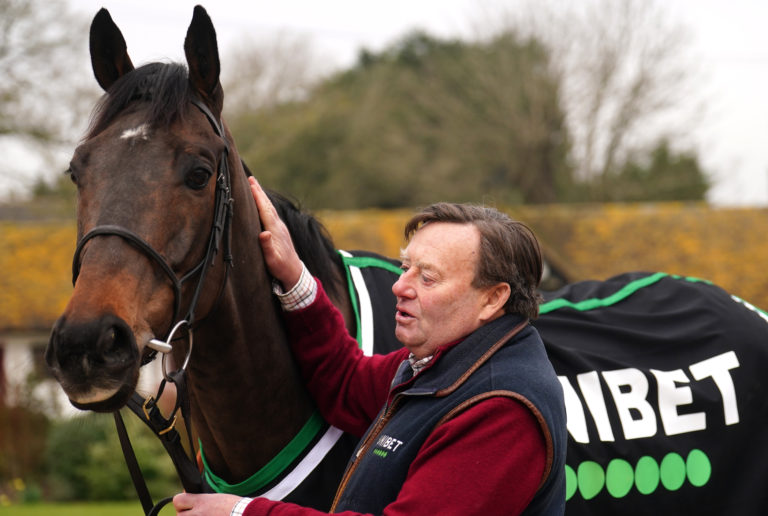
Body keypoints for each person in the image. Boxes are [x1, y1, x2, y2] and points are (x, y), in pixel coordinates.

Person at [173, 177, 566, 515]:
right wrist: (294, 275)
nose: (399, 286)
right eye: (404, 266)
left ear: (493, 298)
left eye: (427, 278)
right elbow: (347, 383)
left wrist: (242, 510)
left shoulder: (500, 407)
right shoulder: (449, 364)